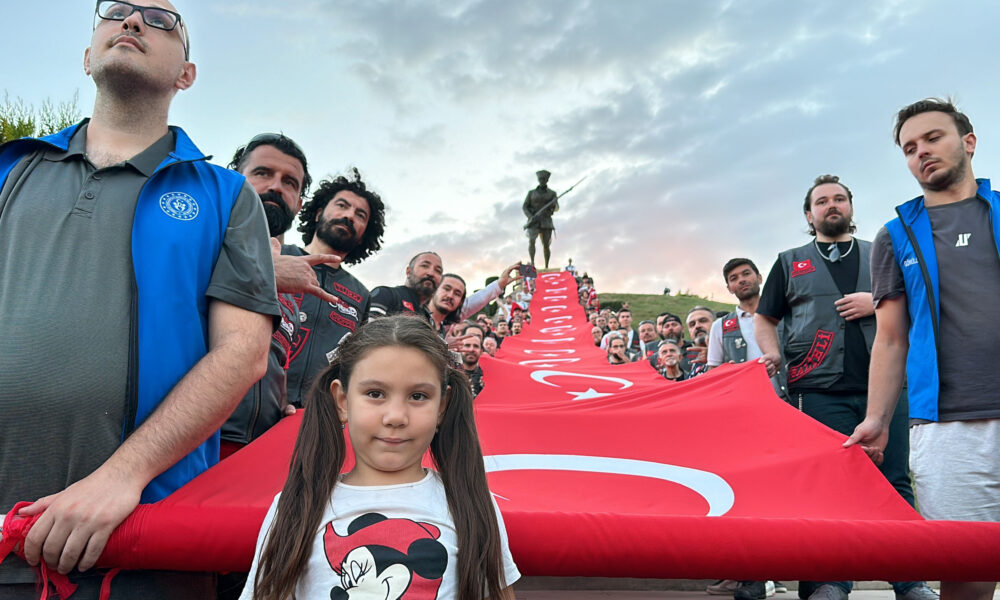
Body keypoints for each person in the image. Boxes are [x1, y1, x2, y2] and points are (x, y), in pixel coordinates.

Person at [0, 2, 279, 596]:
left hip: (139, 548)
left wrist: (121, 477)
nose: (131, 22)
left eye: (159, 19)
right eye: (118, 11)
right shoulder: (10, 169)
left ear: (186, 74)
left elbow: (243, 354)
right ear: (87, 56)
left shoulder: (227, 195)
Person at [239, 316, 520, 599]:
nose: (395, 416)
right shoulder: (296, 504)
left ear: (442, 407)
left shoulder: (471, 503)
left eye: (418, 396)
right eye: (375, 393)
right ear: (342, 401)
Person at [846, 98, 1000, 600]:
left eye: (933, 138)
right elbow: (891, 337)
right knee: (967, 578)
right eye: (910, 148)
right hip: (948, 428)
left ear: (968, 142)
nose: (921, 153)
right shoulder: (894, 236)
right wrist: (877, 419)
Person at [754, 175, 931, 600]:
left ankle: (910, 581)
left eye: (839, 199)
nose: (831, 205)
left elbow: (919, 304)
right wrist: (772, 353)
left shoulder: (882, 251)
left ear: (851, 207)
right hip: (817, 389)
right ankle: (828, 582)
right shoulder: (789, 261)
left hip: (885, 388)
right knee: (827, 488)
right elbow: (764, 317)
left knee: (894, 483)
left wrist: (876, 301)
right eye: (822, 201)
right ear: (809, 214)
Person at [222, 133, 319, 455]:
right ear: (235, 178)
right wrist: (266, 272)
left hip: (258, 449)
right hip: (191, 446)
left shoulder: (293, 278)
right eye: (262, 173)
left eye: (290, 182)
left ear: (299, 204)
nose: (276, 186)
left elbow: (276, 362)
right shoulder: (196, 239)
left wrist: (279, 403)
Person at [284, 169, 385, 408]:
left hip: (318, 414)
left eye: (360, 215)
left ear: (363, 235)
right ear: (319, 213)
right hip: (253, 405)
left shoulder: (361, 294)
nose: (349, 216)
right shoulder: (278, 256)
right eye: (342, 205)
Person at [369, 251, 443, 321]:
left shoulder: (428, 318)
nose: (431, 273)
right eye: (424, 266)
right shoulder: (385, 294)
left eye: (438, 271)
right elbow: (369, 328)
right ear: (409, 271)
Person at [523, 169, 559, 268]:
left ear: (547, 180)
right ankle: (532, 263)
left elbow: (556, 208)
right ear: (538, 180)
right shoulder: (531, 193)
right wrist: (530, 216)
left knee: (546, 244)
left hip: (546, 221)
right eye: (541, 179)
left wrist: (553, 205)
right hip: (533, 221)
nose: (542, 181)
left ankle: (546, 266)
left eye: (544, 179)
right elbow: (525, 206)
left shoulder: (552, 193)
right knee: (531, 241)